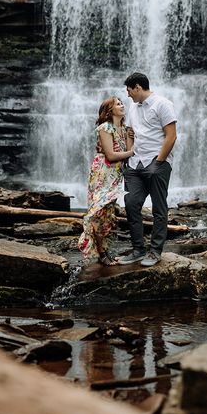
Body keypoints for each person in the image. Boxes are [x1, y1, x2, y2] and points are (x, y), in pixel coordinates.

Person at [119, 72, 177, 267]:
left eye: (129, 90)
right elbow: (129, 132)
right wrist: (128, 156)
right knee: (131, 202)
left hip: (156, 162)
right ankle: (138, 249)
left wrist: (159, 162)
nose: (127, 95)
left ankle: (155, 251)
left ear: (137, 87)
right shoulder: (133, 106)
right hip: (135, 164)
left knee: (159, 208)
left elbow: (171, 136)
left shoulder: (163, 104)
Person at [78, 97, 134, 266]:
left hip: (115, 174)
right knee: (98, 210)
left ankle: (103, 251)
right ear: (109, 110)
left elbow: (129, 150)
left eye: (121, 103)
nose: (122, 105)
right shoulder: (105, 127)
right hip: (102, 173)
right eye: (118, 104)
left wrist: (131, 138)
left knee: (107, 213)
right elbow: (111, 155)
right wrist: (132, 152)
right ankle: (101, 252)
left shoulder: (124, 128)